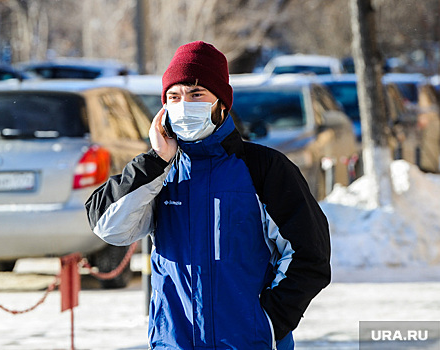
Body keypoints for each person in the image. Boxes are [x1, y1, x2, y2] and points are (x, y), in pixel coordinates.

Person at [86, 41, 331, 349]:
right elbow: (108, 226)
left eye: (196, 94)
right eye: (174, 97)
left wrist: (268, 321)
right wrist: (155, 160)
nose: (184, 105)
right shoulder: (160, 173)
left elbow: (310, 255)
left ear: (222, 104)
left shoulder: (264, 168)